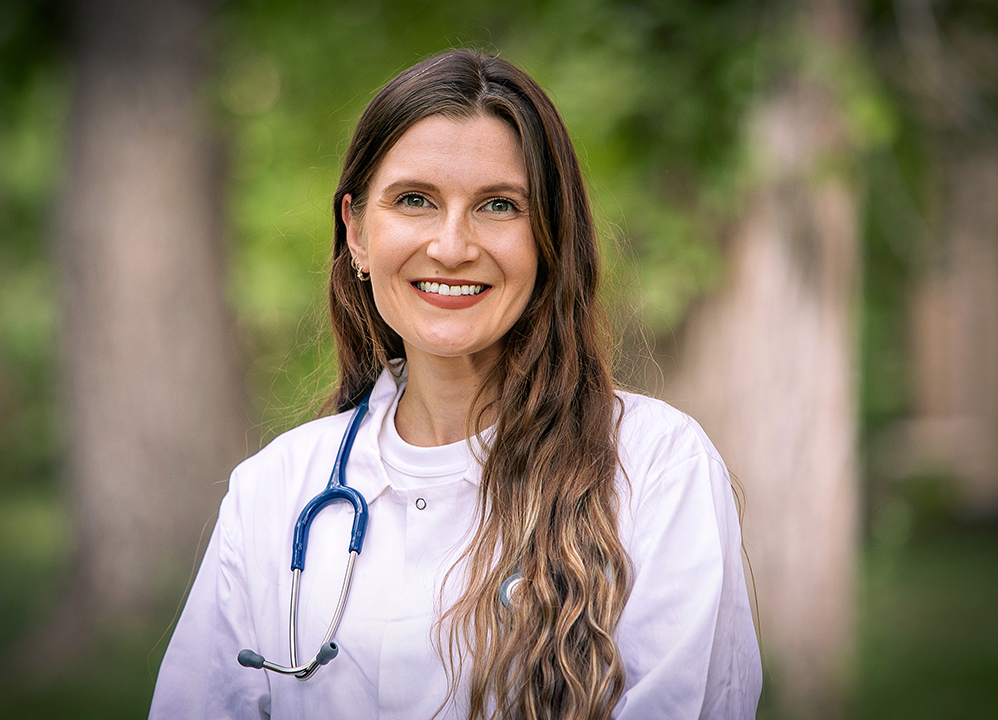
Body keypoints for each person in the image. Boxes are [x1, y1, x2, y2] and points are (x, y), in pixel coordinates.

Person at [148, 49, 761, 720]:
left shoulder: (658, 470)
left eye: (498, 206)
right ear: (355, 231)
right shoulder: (271, 493)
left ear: (549, 237)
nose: (451, 245)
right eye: (415, 200)